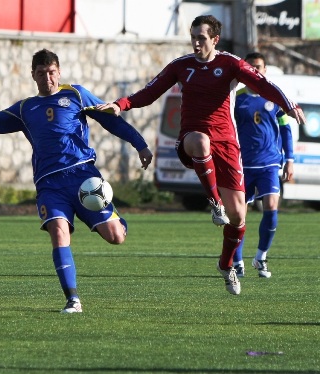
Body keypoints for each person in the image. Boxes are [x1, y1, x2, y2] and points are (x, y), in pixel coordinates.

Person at [100, 15, 305, 295]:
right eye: (193, 36)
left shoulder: (230, 64)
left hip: (228, 147)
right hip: (191, 140)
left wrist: (288, 104)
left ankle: (225, 265)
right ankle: (214, 202)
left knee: (239, 217)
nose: (196, 42)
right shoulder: (181, 66)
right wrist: (121, 104)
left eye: (202, 38)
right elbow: (149, 92)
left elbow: (263, 85)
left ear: (215, 40)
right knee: (201, 140)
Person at [0, 49, 153, 313]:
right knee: (59, 231)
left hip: (83, 177)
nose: (47, 78)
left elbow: (111, 121)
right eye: (41, 73)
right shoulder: (25, 108)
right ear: (33, 75)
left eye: (51, 72)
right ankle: (72, 299)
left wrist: (140, 144)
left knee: (116, 237)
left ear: (59, 71)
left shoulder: (76, 94)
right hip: (49, 185)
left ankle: (117, 221)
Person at [232, 52, 294, 279]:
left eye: (259, 67)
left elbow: (286, 130)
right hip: (242, 165)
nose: (255, 71)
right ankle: (237, 261)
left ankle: (261, 257)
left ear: (265, 70)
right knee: (239, 217)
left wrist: (290, 159)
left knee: (271, 206)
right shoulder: (236, 99)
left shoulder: (275, 98)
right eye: (251, 67)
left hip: (269, 164)